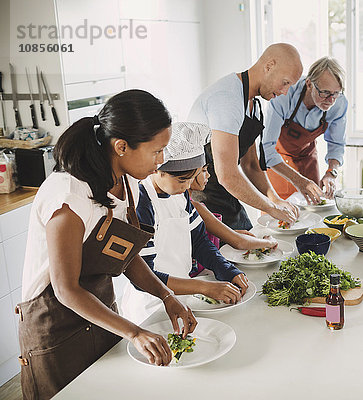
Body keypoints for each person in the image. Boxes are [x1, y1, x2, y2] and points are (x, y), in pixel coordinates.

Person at [17, 90, 197, 399]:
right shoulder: (69, 196)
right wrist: (134, 331)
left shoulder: (127, 185)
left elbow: (126, 256)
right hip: (55, 327)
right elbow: (66, 290)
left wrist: (166, 295)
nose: (162, 160)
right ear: (122, 147)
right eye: (156, 151)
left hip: (101, 315)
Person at [121, 122, 258, 324]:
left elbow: (200, 242)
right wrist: (204, 287)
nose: (186, 187)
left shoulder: (179, 194)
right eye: (182, 180)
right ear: (158, 171)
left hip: (182, 294)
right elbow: (144, 278)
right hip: (151, 305)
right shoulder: (142, 204)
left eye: (192, 178)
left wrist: (228, 271)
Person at [188, 42, 303, 230]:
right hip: (203, 200)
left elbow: (250, 165)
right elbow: (227, 176)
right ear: (269, 66)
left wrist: (275, 199)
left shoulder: (254, 106)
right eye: (285, 83)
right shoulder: (227, 98)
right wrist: (271, 207)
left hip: (226, 196)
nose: (284, 92)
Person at [263, 56, 348, 203]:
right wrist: (299, 181)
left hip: (308, 160)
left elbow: (337, 144)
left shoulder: (339, 104)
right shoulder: (284, 95)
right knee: (279, 217)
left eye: (336, 93)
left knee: (313, 215)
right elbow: (266, 150)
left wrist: (331, 173)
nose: (331, 100)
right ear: (309, 84)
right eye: (325, 92)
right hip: (278, 163)